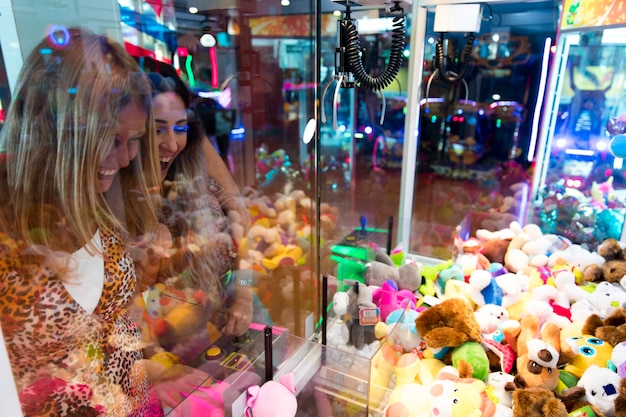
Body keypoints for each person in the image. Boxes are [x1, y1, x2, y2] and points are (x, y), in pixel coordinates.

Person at [0, 28, 167, 416]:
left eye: (135, 139)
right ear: (58, 132)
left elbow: (116, 322)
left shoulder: (100, 202)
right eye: (110, 138)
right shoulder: (11, 243)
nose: (125, 159)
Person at [136, 65, 256, 342]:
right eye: (157, 131)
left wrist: (245, 296)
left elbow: (243, 239)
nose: (171, 144)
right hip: (172, 342)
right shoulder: (124, 202)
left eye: (180, 128)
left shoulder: (196, 179)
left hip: (230, 314)